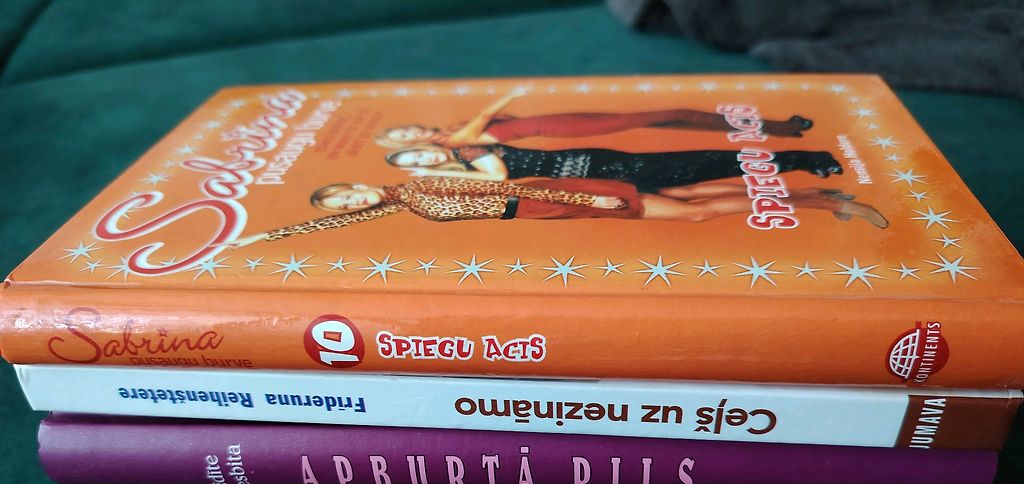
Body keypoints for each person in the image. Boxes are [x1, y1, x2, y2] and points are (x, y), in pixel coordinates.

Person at [226, 177, 887, 249]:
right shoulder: (390, 206)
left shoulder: (418, 182)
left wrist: (583, 199)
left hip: (544, 198)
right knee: (686, 204)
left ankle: (822, 200)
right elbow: (331, 226)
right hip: (540, 216)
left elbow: (500, 191)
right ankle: (818, 199)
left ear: (354, 184)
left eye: (346, 195)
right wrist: (262, 237)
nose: (353, 204)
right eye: (345, 207)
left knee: (687, 214)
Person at [375, 87, 815, 148]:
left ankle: (780, 130)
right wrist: (508, 95)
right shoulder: (449, 143)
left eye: (405, 127)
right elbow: (489, 118)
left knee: (662, 120)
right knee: (671, 113)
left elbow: (500, 119)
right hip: (557, 127)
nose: (412, 130)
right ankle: (783, 129)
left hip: (558, 115)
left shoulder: (449, 131)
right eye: (405, 135)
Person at [385, 143, 844, 191]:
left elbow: (500, 176)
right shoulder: (462, 168)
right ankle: (801, 165)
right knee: (703, 173)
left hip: (599, 163)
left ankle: (808, 160)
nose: (424, 161)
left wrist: (443, 173)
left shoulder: (468, 153)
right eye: (416, 163)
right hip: (595, 177)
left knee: (701, 165)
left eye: (418, 155)